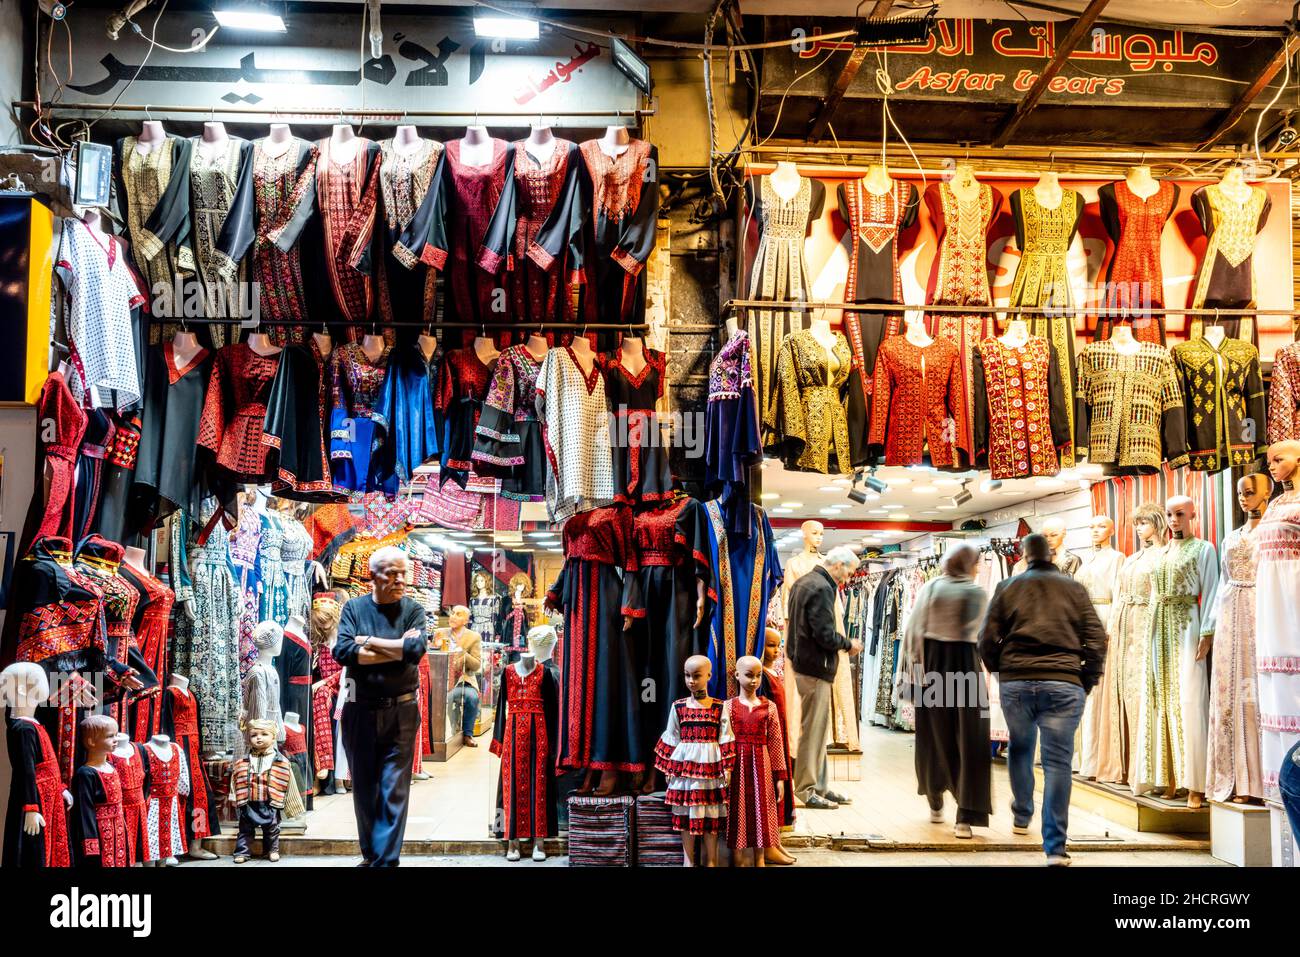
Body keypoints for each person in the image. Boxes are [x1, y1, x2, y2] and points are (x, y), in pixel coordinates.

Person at [978, 533, 1106, 866]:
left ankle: (1022, 813)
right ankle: (1055, 848)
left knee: (1021, 747)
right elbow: (1095, 637)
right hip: (1064, 682)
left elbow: (986, 638)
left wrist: (1000, 671)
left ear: (1023, 555)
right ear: (1051, 554)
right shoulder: (1074, 589)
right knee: (1058, 763)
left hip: (1017, 680)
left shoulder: (1009, 588)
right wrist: (1085, 679)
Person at [333, 546, 428, 867]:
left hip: (401, 712)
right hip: (359, 710)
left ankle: (385, 861)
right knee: (365, 787)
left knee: (393, 788)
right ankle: (372, 855)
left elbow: (415, 650)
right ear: (373, 576)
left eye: (404, 572)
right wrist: (396, 648)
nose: (400, 579)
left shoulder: (413, 609)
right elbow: (343, 650)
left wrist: (369, 641)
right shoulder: (354, 609)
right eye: (392, 572)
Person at [898, 543, 991, 838]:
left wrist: (911, 681)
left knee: (934, 734)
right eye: (976, 563)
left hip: (932, 667)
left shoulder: (932, 587)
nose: (978, 568)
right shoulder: (976, 593)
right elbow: (984, 636)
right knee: (971, 739)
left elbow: (914, 634)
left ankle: (935, 798)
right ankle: (965, 814)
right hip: (965, 668)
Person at [785, 545, 862, 810]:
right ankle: (806, 789)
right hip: (814, 667)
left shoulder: (805, 582)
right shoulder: (822, 588)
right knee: (813, 732)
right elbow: (824, 633)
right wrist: (848, 643)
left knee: (818, 731)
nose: (849, 578)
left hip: (806, 664)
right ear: (838, 565)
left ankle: (819, 785)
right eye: (849, 572)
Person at [441, 606, 482, 747]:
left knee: (472, 698)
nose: (453, 616)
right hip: (442, 680)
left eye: (458, 614)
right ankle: (447, 731)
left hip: (465, 679)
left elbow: (477, 665)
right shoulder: (440, 633)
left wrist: (463, 653)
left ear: (466, 620)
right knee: (446, 697)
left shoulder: (474, 637)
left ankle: (467, 734)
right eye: (452, 613)